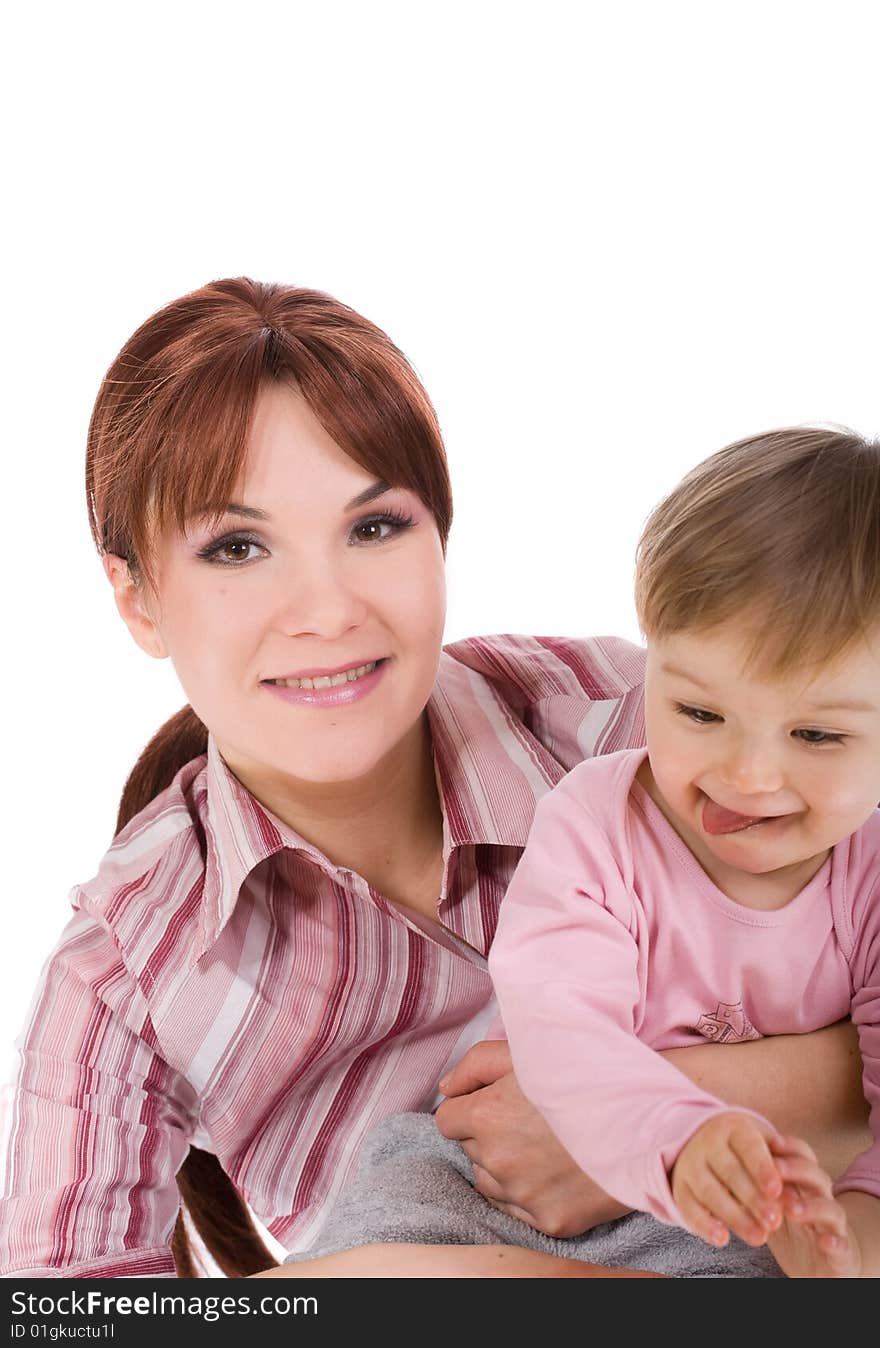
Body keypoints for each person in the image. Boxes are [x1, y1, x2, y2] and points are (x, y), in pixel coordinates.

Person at [0, 282, 869, 1280]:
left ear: (440, 538)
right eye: (238, 547)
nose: (325, 611)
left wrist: (651, 1116)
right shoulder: (128, 969)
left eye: (374, 527)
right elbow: (64, 1307)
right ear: (137, 600)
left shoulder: (636, 726)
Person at [488, 427, 880, 1277]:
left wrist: (841, 1247)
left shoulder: (872, 877)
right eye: (699, 714)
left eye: (816, 734)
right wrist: (684, 1136)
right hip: (518, 1182)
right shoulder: (596, 825)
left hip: (762, 1211)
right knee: (380, 1260)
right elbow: (565, 1036)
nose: (746, 774)